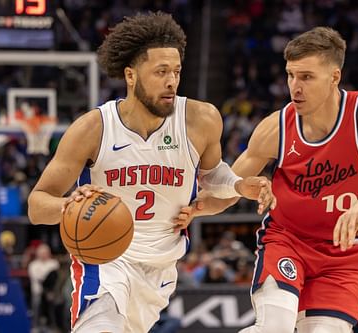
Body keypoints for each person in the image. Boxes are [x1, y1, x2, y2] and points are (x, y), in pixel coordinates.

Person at [27, 12, 275, 333]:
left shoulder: (201, 119)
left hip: (161, 269)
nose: (171, 81)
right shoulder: (93, 129)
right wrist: (70, 207)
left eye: (176, 71)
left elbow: (214, 178)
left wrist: (240, 186)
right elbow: (36, 205)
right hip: (106, 263)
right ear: (131, 76)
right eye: (160, 72)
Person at [177, 27, 358, 333]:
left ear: (334, 77)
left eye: (306, 77)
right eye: (291, 75)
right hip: (287, 241)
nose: (295, 86)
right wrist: (199, 208)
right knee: (274, 327)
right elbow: (230, 186)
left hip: (343, 257)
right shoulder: (276, 128)